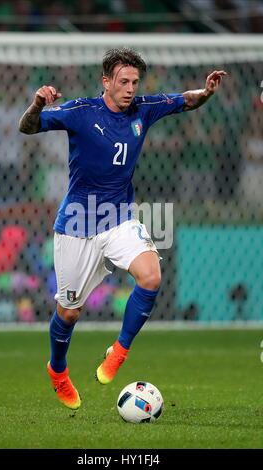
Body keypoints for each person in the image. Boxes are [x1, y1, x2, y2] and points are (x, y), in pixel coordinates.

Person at [19, 48, 226, 410]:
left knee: (150, 277)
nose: (130, 88)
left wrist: (205, 93)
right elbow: (28, 127)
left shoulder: (143, 109)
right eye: (123, 81)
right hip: (78, 223)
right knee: (68, 313)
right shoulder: (80, 112)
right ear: (107, 82)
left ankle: (119, 351)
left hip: (119, 218)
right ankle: (57, 370)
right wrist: (37, 104)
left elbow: (184, 101)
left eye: (134, 82)